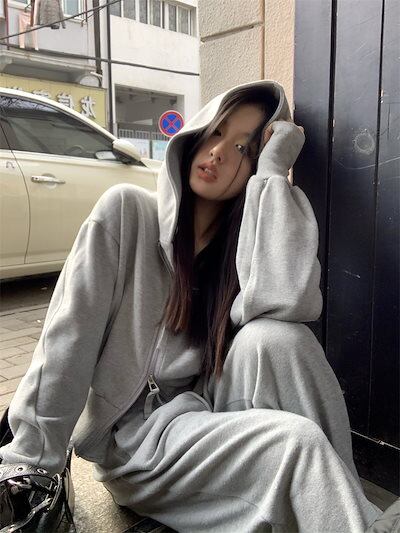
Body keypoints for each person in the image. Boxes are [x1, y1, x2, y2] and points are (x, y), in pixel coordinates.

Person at [0, 80, 389, 532]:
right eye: (217, 132)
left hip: (204, 414)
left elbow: (288, 303)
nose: (219, 152)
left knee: (280, 337)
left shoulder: (237, 254)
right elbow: (68, 338)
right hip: (136, 444)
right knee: (296, 444)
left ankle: (350, 515)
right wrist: (31, 459)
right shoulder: (126, 213)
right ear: (197, 133)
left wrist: (271, 175)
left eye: (243, 148)